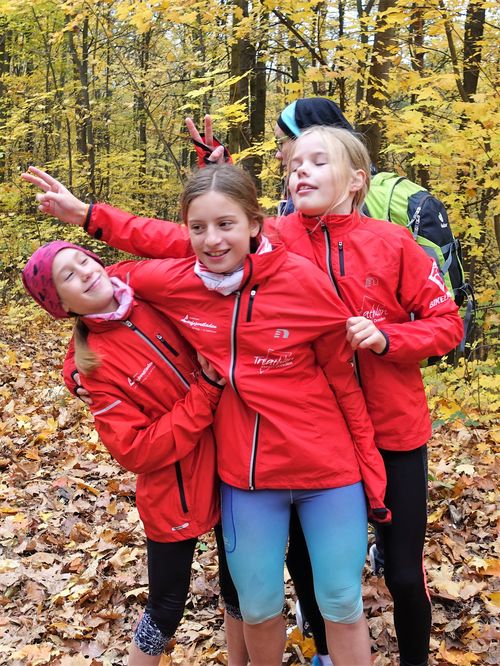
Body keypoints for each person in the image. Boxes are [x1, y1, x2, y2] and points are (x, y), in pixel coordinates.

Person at [22, 114, 464, 666]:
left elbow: (448, 325)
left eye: (317, 162)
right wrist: (89, 224)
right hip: (290, 441)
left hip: (386, 425)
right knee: (297, 571)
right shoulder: (277, 235)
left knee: (400, 572)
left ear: (356, 178)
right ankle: (322, 650)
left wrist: (388, 338)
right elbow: (145, 267)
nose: (301, 172)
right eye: (294, 164)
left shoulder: (391, 243)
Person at [21, 241, 247, 666]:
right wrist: (206, 392)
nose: (85, 272)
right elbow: (135, 449)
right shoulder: (94, 367)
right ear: (61, 305)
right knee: (165, 608)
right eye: (68, 276)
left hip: (232, 462)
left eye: (84, 260)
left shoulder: (149, 296)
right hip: (174, 490)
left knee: (240, 589)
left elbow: (187, 258)